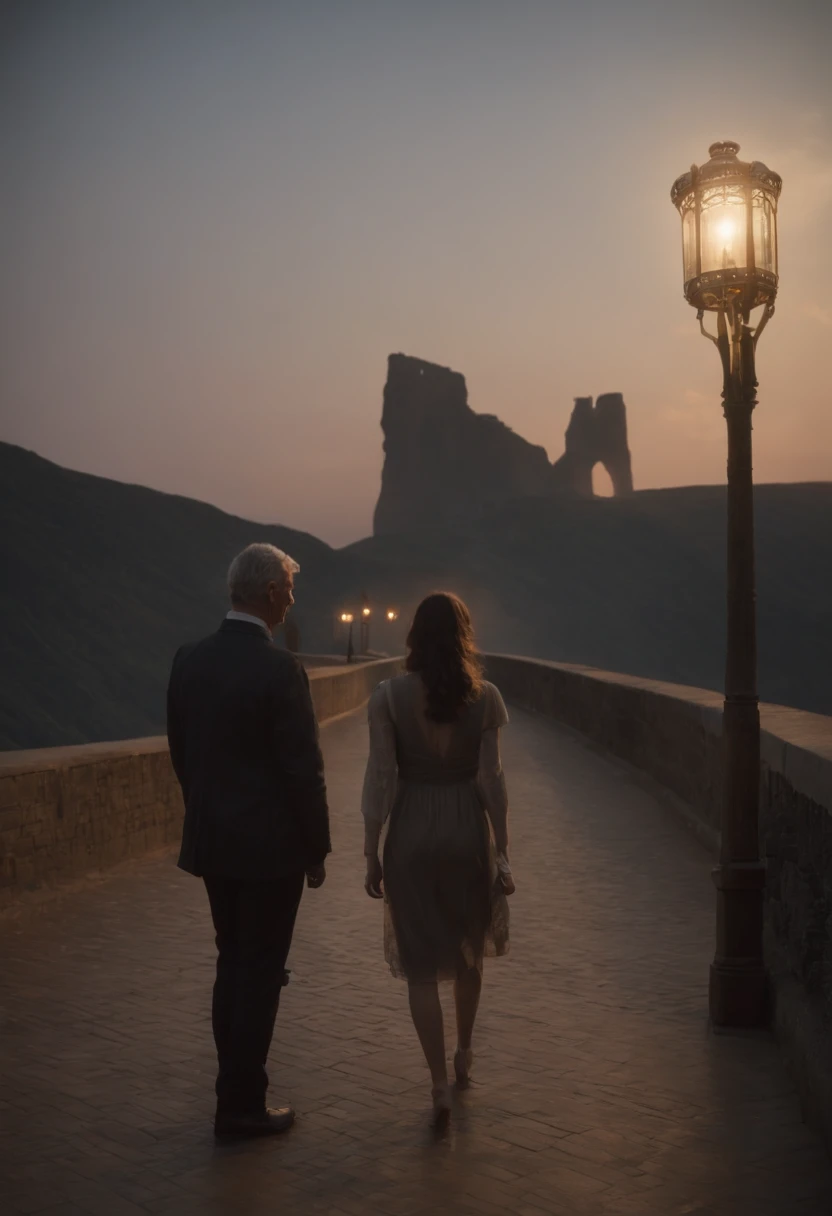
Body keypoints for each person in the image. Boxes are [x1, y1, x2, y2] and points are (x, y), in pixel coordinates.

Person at [166, 542, 330, 1139]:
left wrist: (208, 815)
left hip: (214, 845)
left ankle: (230, 1092)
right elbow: (301, 771)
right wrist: (317, 849)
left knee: (231, 964)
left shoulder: (189, 659)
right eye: (288, 590)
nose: (291, 601)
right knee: (260, 973)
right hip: (270, 854)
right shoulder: (280, 670)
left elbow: (183, 755)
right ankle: (240, 1105)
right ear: (268, 593)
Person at [361, 592, 514, 1126]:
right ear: (463, 636)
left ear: (413, 638)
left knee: (421, 968)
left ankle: (437, 1085)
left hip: (410, 835)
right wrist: (505, 848)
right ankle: (465, 1054)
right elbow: (491, 779)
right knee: (468, 950)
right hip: (467, 833)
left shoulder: (388, 696)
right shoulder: (486, 697)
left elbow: (380, 777)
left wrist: (369, 851)